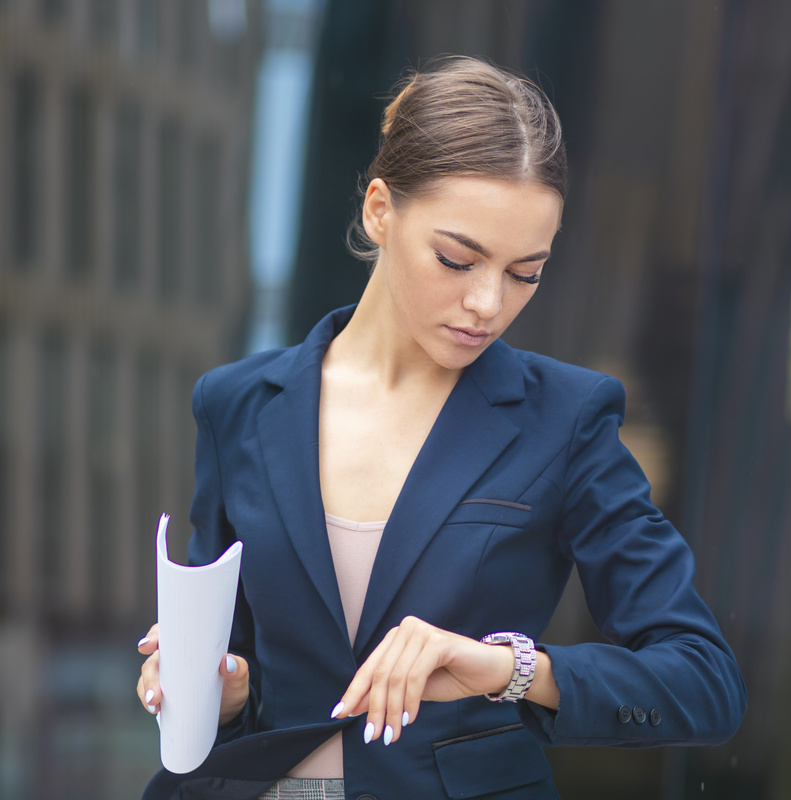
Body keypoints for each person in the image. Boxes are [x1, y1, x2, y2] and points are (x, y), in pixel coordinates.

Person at [136, 56, 746, 800]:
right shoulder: (237, 406)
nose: (488, 302)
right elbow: (233, 665)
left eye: (526, 272)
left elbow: (704, 682)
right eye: (458, 260)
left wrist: (511, 669)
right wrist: (214, 689)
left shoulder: (567, 420)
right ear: (379, 210)